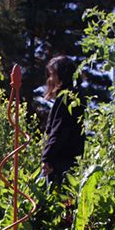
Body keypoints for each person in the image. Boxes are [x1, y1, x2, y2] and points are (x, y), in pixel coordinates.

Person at [40, 55, 84, 183]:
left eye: (52, 74)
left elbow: (59, 130)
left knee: (56, 199)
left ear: (62, 75)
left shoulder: (66, 99)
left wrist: (46, 158)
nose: (50, 79)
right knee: (68, 200)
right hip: (71, 161)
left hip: (60, 163)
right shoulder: (77, 97)